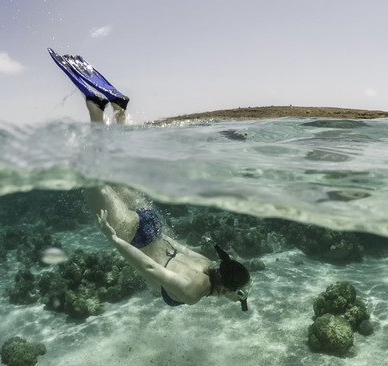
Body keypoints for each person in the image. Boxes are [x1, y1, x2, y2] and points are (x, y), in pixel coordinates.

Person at [48, 48, 251, 310]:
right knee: (91, 172)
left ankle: (115, 111)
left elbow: (179, 248)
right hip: (132, 236)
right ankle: (97, 112)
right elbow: (147, 267)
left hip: (152, 224)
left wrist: (235, 287)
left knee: (112, 168)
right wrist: (114, 240)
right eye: (239, 293)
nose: (239, 297)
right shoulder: (194, 291)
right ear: (228, 290)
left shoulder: (208, 264)